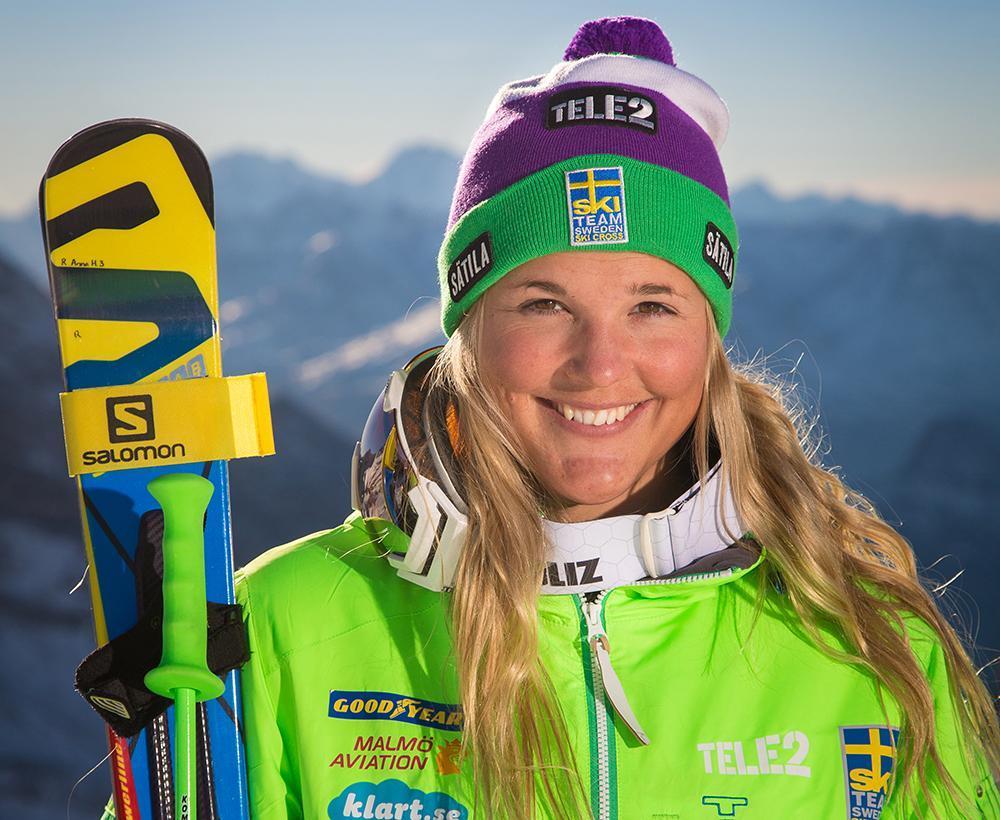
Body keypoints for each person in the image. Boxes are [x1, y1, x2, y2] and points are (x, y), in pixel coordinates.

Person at [234, 15, 1000, 820]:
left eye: (652, 306)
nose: (600, 365)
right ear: (469, 331)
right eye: (544, 303)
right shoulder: (279, 627)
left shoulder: (871, 651)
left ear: (709, 339)